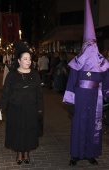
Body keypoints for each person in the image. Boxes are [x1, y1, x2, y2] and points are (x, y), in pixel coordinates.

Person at [63, 0, 109, 166]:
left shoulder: (102, 64)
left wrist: (106, 96)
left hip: (95, 99)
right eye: (88, 44)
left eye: (93, 44)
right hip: (80, 99)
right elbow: (71, 83)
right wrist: (70, 102)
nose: (91, 47)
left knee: (93, 126)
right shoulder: (77, 63)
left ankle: (91, 153)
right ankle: (76, 154)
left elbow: (106, 81)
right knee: (78, 126)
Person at [0, 41, 43, 165]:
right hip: (15, 108)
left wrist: (40, 109)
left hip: (30, 108)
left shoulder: (35, 75)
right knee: (18, 130)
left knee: (28, 130)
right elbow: (6, 92)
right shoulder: (12, 75)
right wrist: (0, 108)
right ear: (19, 60)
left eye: (30, 59)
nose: (28, 61)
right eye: (25, 58)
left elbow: (39, 93)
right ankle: (19, 153)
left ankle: (27, 152)